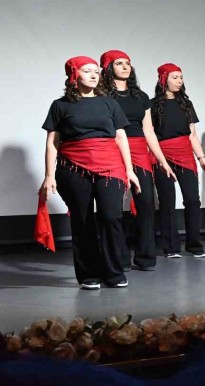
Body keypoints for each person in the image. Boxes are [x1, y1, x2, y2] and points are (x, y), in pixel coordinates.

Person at [40, 56, 141, 289]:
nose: (94, 75)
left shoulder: (109, 103)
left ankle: (114, 273)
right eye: (87, 71)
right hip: (73, 167)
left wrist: (129, 169)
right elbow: (52, 143)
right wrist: (49, 175)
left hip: (109, 165)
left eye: (96, 71)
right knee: (83, 220)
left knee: (111, 217)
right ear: (74, 75)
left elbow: (120, 137)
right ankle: (89, 275)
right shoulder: (60, 105)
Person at [99, 50, 176, 272]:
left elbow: (149, 131)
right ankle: (119, 258)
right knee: (113, 208)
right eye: (119, 63)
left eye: (128, 63)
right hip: (113, 149)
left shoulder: (140, 97)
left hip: (140, 150)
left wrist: (162, 160)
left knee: (146, 204)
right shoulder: (101, 95)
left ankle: (145, 257)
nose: (126, 67)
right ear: (108, 67)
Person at [151, 63, 205, 258]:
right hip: (162, 155)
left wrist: (202, 158)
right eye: (175, 77)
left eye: (181, 77)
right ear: (164, 80)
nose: (179, 81)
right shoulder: (152, 105)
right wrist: (159, 159)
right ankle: (171, 247)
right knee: (167, 201)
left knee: (193, 200)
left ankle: (194, 245)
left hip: (185, 153)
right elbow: (150, 135)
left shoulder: (186, 104)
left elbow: (192, 135)